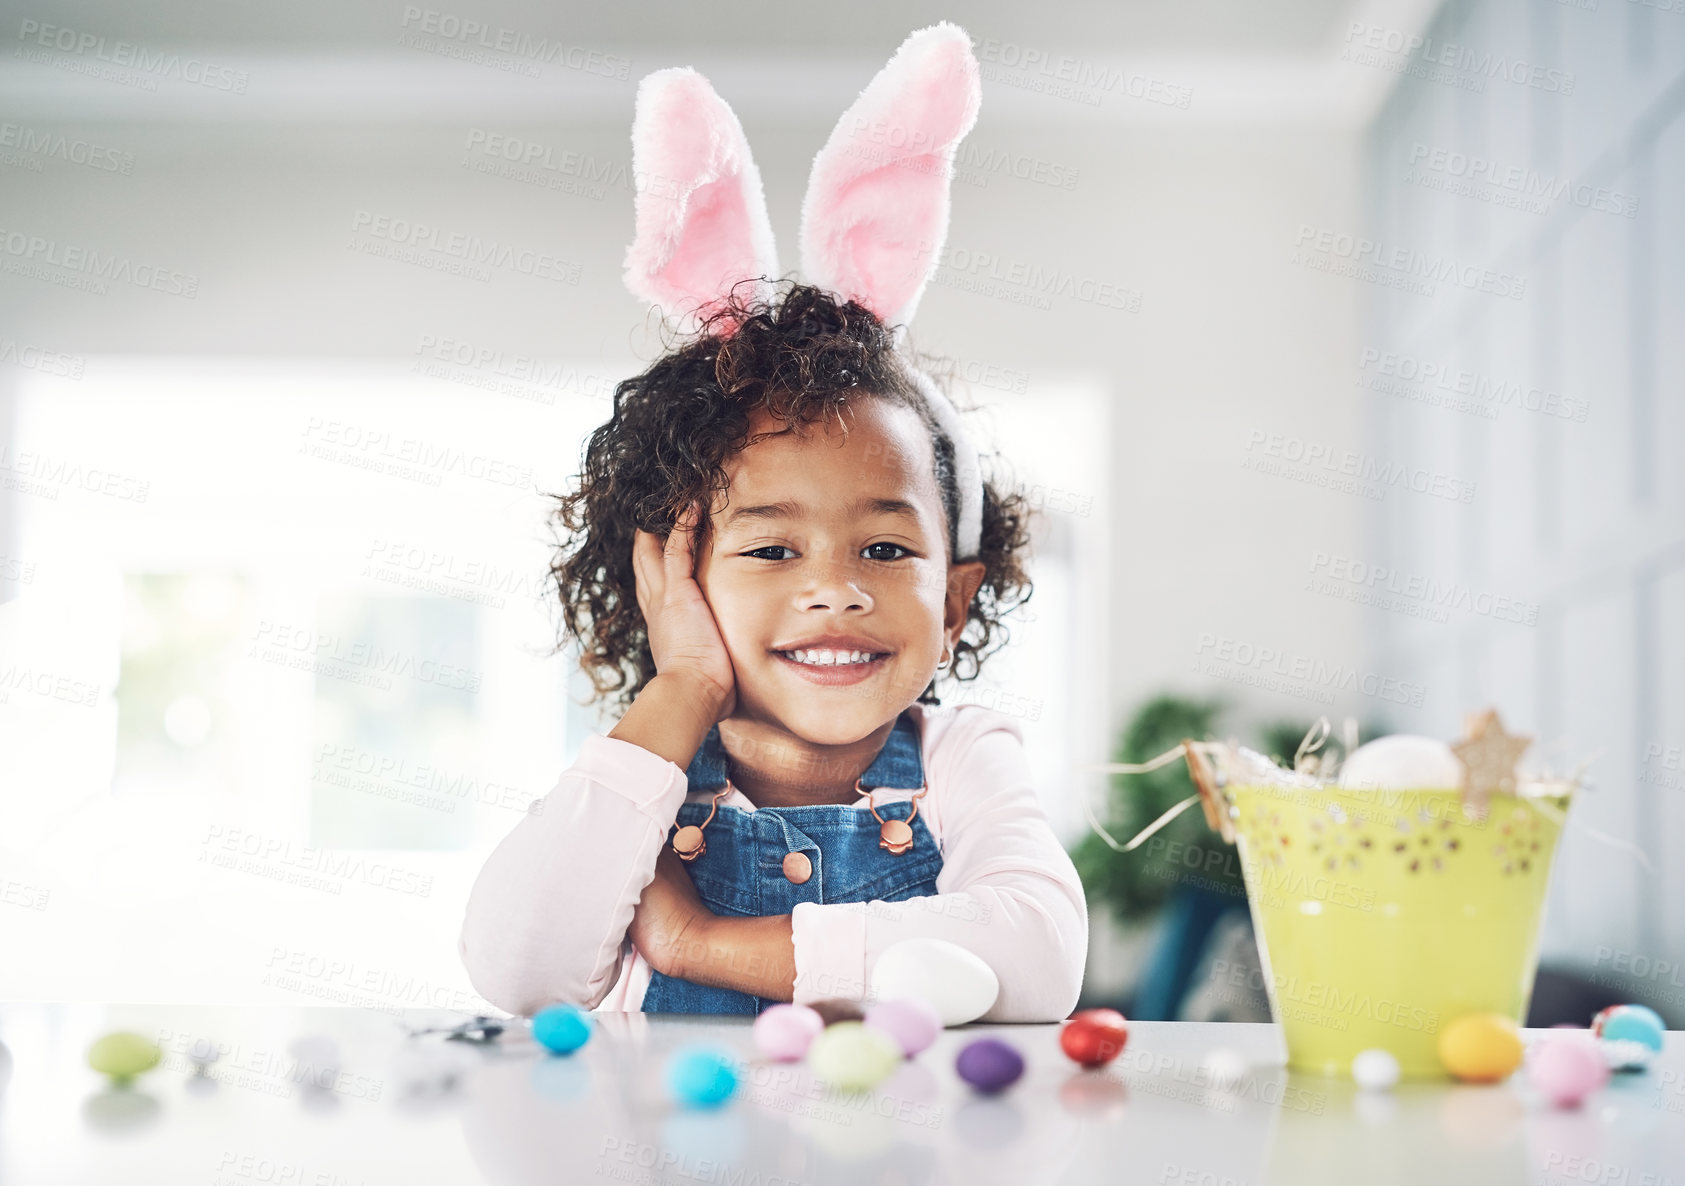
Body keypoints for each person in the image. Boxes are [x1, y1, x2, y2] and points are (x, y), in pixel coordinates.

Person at [457, 23, 1087, 1020]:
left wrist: (698, 941)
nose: (835, 586)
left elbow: (1037, 960)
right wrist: (686, 686)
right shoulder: (644, 782)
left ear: (955, 600)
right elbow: (522, 970)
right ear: (672, 581)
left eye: (883, 547)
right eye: (769, 547)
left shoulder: (958, 760)